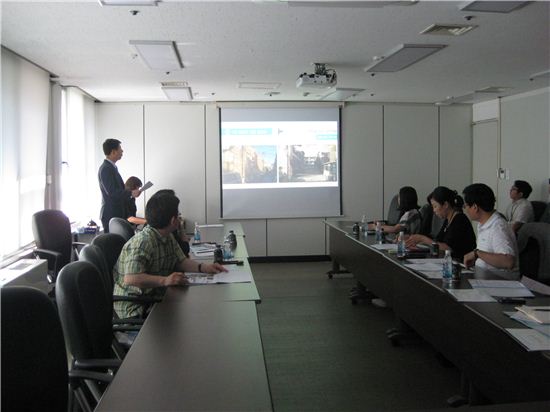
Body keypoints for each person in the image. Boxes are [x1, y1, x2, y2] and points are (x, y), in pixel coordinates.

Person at [113, 192, 226, 319]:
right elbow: (131, 278)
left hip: (154, 299)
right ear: (173, 220)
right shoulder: (143, 242)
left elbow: (181, 261)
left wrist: (204, 267)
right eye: (178, 215)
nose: (179, 218)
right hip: (136, 310)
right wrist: (165, 280)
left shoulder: (167, 235)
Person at [462, 183, 519, 279]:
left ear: (475, 207)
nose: (465, 209)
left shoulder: (498, 227)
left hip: (500, 282)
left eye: (466, 206)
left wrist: (477, 253)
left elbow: (508, 262)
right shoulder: (483, 223)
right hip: (484, 276)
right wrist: (477, 257)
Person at [406, 186, 476, 260]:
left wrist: (422, 239)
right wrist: (411, 238)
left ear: (445, 205)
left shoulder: (460, 220)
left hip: (461, 264)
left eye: (435, 206)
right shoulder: (448, 219)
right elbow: (438, 242)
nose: (434, 210)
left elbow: (448, 248)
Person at [98, 139, 141, 233]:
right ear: (113, 152)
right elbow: (112, 192)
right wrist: (131, 193)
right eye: (120, 148)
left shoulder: (112, 168)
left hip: (116, 214)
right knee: (114, 245)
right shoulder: (106, 169)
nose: (122, 151)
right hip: (111, 215)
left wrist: (131, 194)